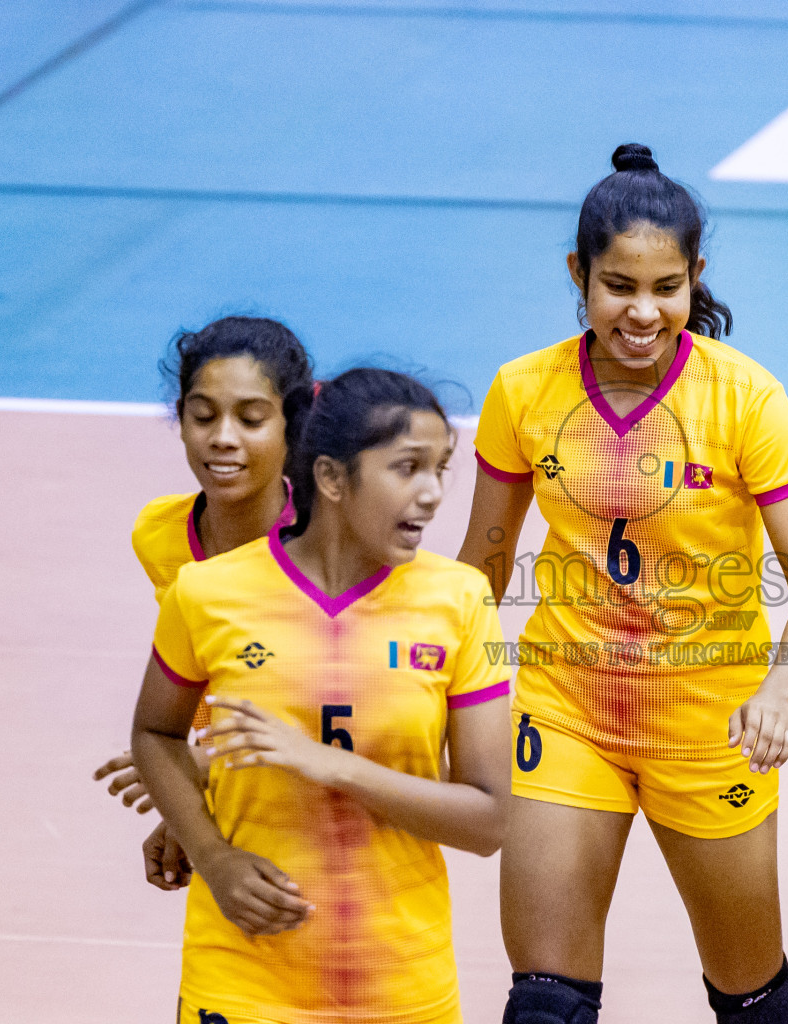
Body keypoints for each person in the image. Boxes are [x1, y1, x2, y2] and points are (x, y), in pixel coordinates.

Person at [460, 144, 788, 1023]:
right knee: (544, 1006)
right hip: (566, 714)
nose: (642, 311)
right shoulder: (523, 391)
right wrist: (431, 686)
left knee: (756, 1004)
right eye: (618, 286)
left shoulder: (745, 399)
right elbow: (480, 566)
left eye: (666, 287)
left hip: (712, 725)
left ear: (695, 278)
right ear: (578, 275)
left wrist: (779, 695)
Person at [131, 368, 510, 1023]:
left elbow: (488, 821)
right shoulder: (206, 592)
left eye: (441, 469)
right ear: (332, 479)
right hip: (244, 978)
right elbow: (155, 733)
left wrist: (327, 763)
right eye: (407, 469)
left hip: (403, 985)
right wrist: (214, 857)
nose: (432, 495)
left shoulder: (462, 601)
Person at [93, 316, 311, 888]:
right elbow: (215, 674)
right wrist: (192, 812)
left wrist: (207, 769)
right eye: (203, 415)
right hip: (241, 816)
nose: (223, 437)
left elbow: (360, 714)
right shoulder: (160, 536)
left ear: (293, 423)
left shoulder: (331, 545)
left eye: (252, 417)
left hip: (332, 820)